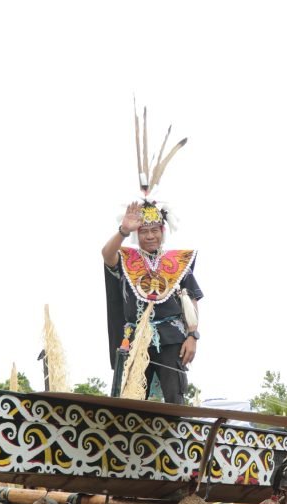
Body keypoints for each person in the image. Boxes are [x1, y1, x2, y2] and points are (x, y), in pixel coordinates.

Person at [102, 114, 199, 405]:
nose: (149, 236)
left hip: (171, 336)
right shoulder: (126, 256)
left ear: (162, 230)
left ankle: (178, 446)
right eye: (143, 231)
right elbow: (106, 256)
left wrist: (194, 336)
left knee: (175, 398)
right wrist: (123, 231)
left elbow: (192, 299)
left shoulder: (179, 261)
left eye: (154, 230)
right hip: (135, 338)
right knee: (132, 398)